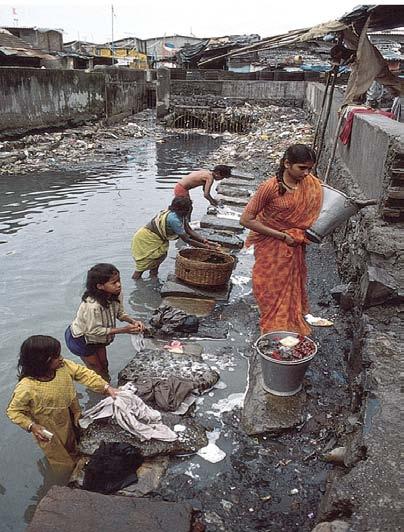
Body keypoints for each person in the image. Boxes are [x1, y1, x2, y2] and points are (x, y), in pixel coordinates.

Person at [240, 144, 322, 336]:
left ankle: (287, 322)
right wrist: (283, 236)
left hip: (295, 244)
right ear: (287, 164)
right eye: (302, 168)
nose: (307, 173)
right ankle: (272, 322)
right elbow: (246, 219)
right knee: (268, 284)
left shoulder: (309, 184)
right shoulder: (270, 188)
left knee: (290, 284)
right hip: (271, 244)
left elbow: (317, 206)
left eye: (310, 168)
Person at [6, 335, 119, 475]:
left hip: (71, 413)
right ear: (42, 362)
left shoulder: (63, 367)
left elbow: (83, 374)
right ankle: (66, 480)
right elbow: (14, 411)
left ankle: (79, 460)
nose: (61, 358)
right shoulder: (27, 387)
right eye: (55, 356)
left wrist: (107, 388)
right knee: (61, 459)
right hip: (49, 428)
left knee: (76, 441)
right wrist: (32, 426)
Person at [65, 263, 144, 380]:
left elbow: (119, 313)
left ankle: (106, 383)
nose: (119, 285)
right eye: (114, 283)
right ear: (100, 286)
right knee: (96, 368)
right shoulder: (93, 306)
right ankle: (101, 389)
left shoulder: (116, 294)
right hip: (82, 339)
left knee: (104, 364)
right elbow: (94, 330)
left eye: (119, 280)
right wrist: (124, 330)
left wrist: (133, 321)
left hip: (97, 338)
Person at [131, 197, 219, 280]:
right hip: (146, 239)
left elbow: (188, 230)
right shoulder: (174, 219)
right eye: (189, 208)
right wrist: (207, 247)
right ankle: (136, 284)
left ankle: (153, 281)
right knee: (141, 267)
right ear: (183, 210)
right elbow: (187, 239)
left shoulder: (181, 215)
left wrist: (204, 241)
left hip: (157, 239)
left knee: (156, 262)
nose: (190, 210)